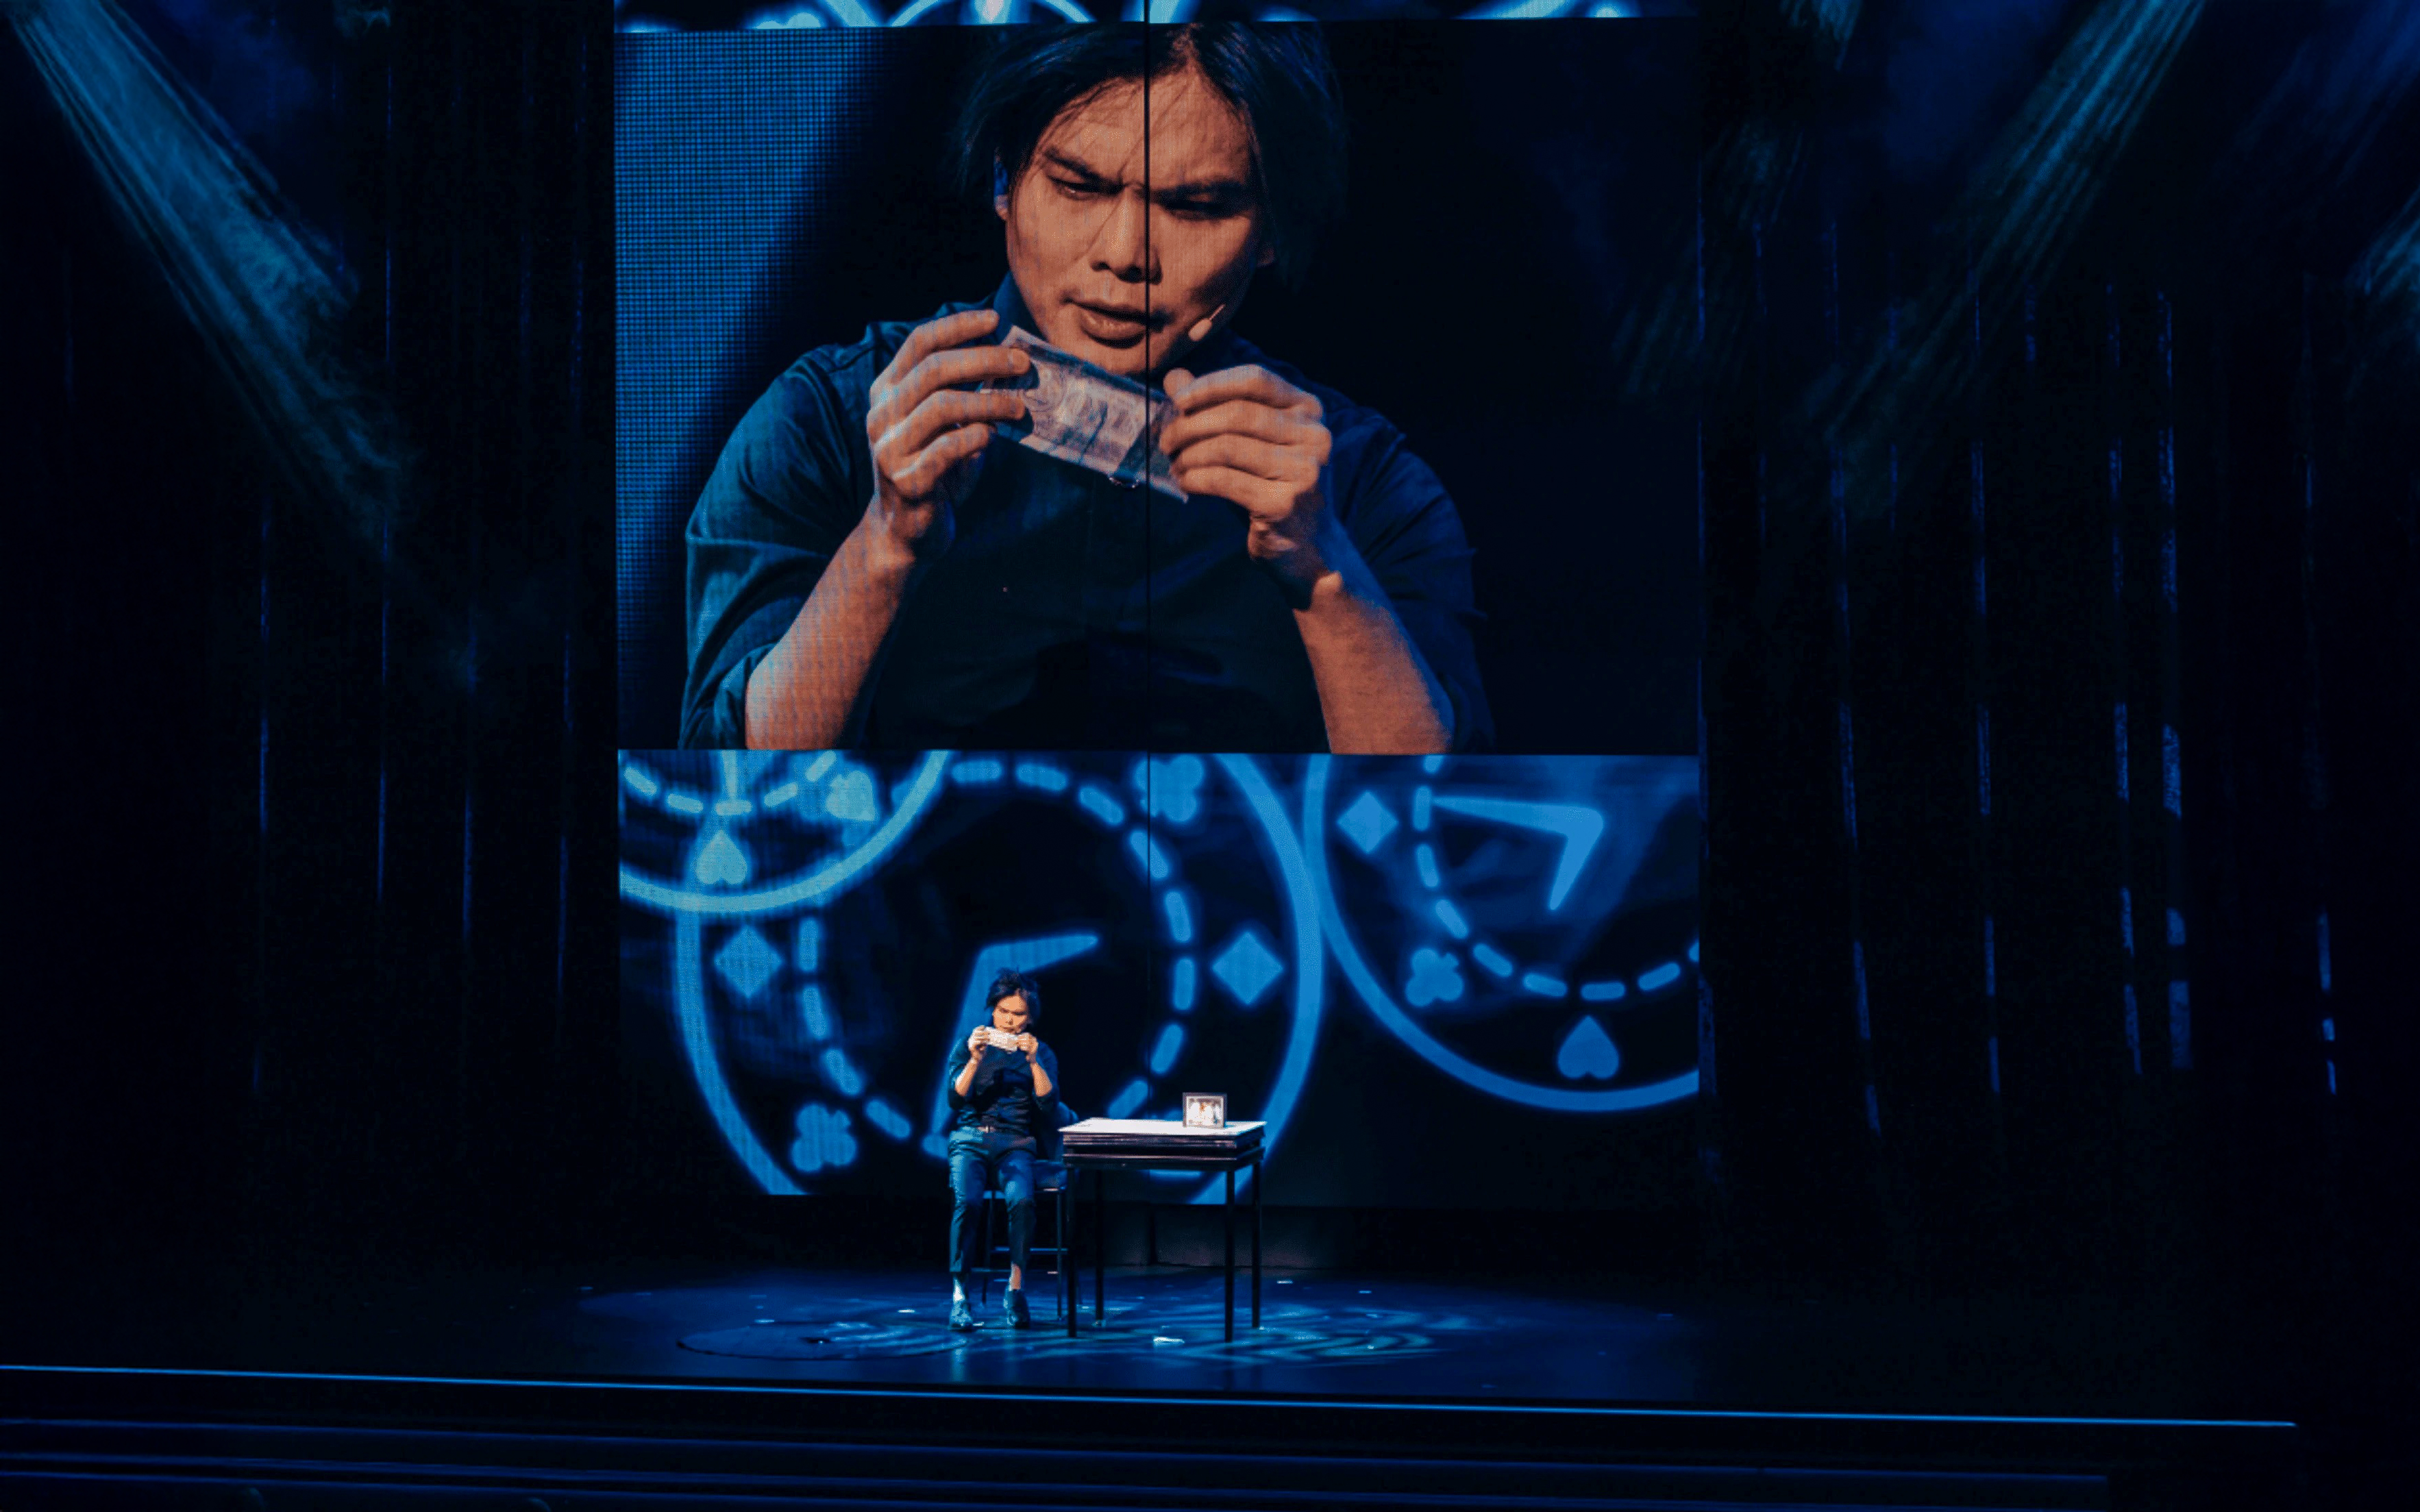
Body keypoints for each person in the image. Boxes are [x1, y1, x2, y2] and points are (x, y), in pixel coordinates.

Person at [681, 21, 1492, 753]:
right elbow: (730, 798)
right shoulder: (822, 419)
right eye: (1080, 186)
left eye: (1196, 205)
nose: (1125, 254)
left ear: (1272, 230)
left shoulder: (1367, 484)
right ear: (1004, 181)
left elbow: (1442, 835)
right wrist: (886, 543)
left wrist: (1325, 570)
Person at [941, 968, 1061, 1330]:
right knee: (967, 1203)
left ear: (1030, 1018)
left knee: (1022, 1202)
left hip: (1015, 1143)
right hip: (971, 1139)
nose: (1009, 1022)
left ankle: (1015, 1288)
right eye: (1003, 1012)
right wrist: (975, 1059)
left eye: (1018, 1015)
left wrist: (1034, 1062)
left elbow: (1048, 1105)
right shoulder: (970, 1044)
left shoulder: (1040, 1053)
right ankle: (960, 1296)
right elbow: (953, 1098)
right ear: (992, 1010)